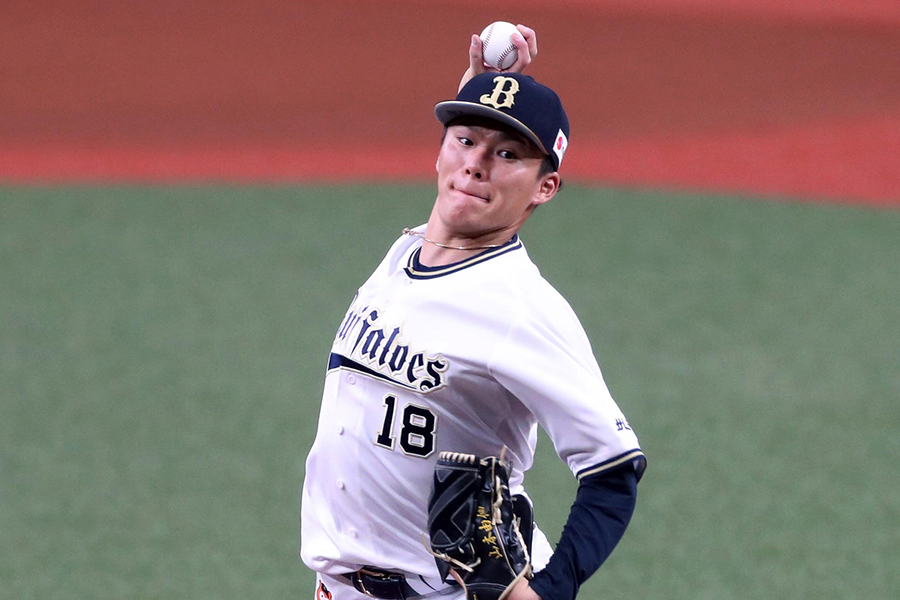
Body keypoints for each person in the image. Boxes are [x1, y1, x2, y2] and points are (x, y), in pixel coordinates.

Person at [301, 25, 646, 600]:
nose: (477, 163)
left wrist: (552, 590)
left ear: (545, 187)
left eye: (508, 154)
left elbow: (613, 469)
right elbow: (462, 186)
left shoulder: (521, 309)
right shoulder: (408, 251)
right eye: (465, 140)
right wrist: (478, 88)